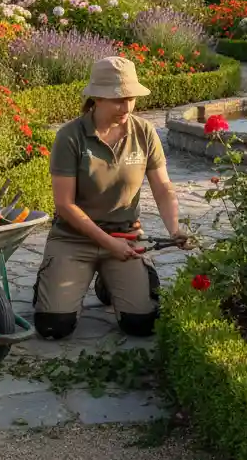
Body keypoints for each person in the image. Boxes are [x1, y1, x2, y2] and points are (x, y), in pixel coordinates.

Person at [33, 55, 185, 340]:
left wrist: (175, 229)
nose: (126, 106)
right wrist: (107, 244)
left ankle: (111, 280)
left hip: (125, 237)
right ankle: (58, 275)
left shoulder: (144, 132)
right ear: (96, 98)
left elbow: (163, 187)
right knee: (54, 327)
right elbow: (65, 205)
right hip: (74, 238)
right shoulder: (70, 136)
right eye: (117, 99)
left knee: (141, 325)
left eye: (130, 98)